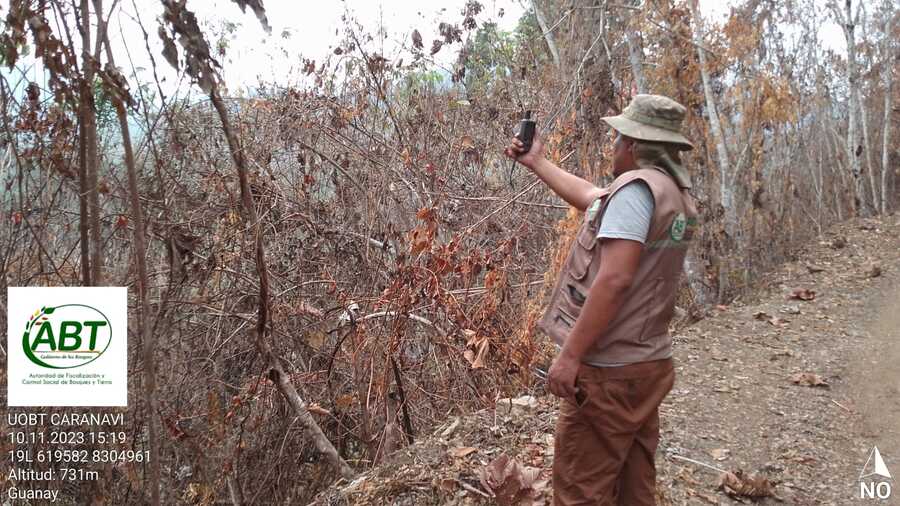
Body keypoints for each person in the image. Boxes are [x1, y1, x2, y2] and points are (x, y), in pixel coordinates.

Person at [504, 94, 700, 505]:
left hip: (609, 373)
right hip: (648, 365)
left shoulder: (634, 192)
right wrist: (537, 161)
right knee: (634, 484)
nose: (613, 146)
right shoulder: (672, 195)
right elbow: (593, 198)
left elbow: (613, 279)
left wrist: (571, 356)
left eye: (618, 139)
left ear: (633, 145)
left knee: (581, 492)